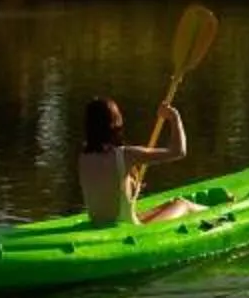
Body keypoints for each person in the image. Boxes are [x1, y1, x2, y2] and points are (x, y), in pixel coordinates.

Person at [79, 95, 198, 226]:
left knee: (170, 204)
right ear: (115, 123)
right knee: (182, 204)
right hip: (128, 226)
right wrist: (175, 117)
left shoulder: (83, 157)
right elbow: (179, 151)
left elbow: (107, 192)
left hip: (98, 224)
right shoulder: (126, 154)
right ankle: (220, 215)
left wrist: (133, 187)